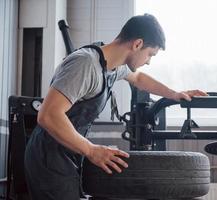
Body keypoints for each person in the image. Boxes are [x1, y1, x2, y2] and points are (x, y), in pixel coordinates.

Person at [24, 14, 207, 200]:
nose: (149, 61)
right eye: (150, 54)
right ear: (137, 44)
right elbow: (48, 115)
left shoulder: (113, 64)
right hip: (48, 157)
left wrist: (174, 94)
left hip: (68, 153)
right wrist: (91, 150)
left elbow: (138, 78)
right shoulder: (85, 64)